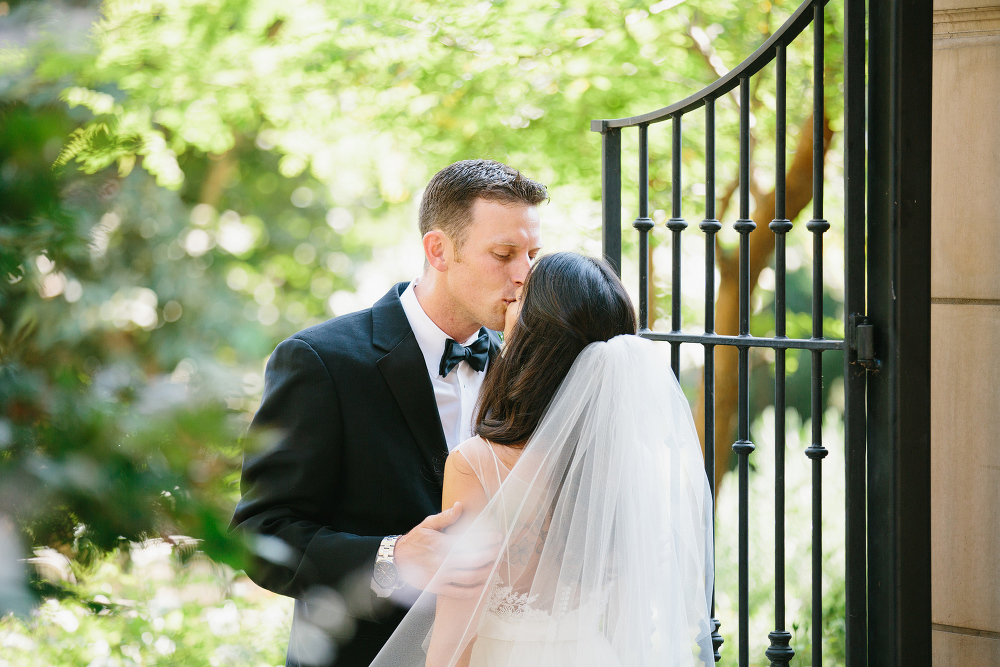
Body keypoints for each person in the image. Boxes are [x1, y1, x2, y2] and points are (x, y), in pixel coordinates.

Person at [231, 160, 548, 667]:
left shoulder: (525, 368)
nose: (524, 275)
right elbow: (259, 535)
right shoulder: (321, 361)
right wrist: (392, 557)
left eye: (533, 254)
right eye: (504, 254)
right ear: (438, 249)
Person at [370, 252, 715, 667]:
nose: (508, 305)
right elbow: (631, 621)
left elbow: (456, 632)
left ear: (538, 338)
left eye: (520, 301)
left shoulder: (476, 464)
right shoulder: (632, 463)